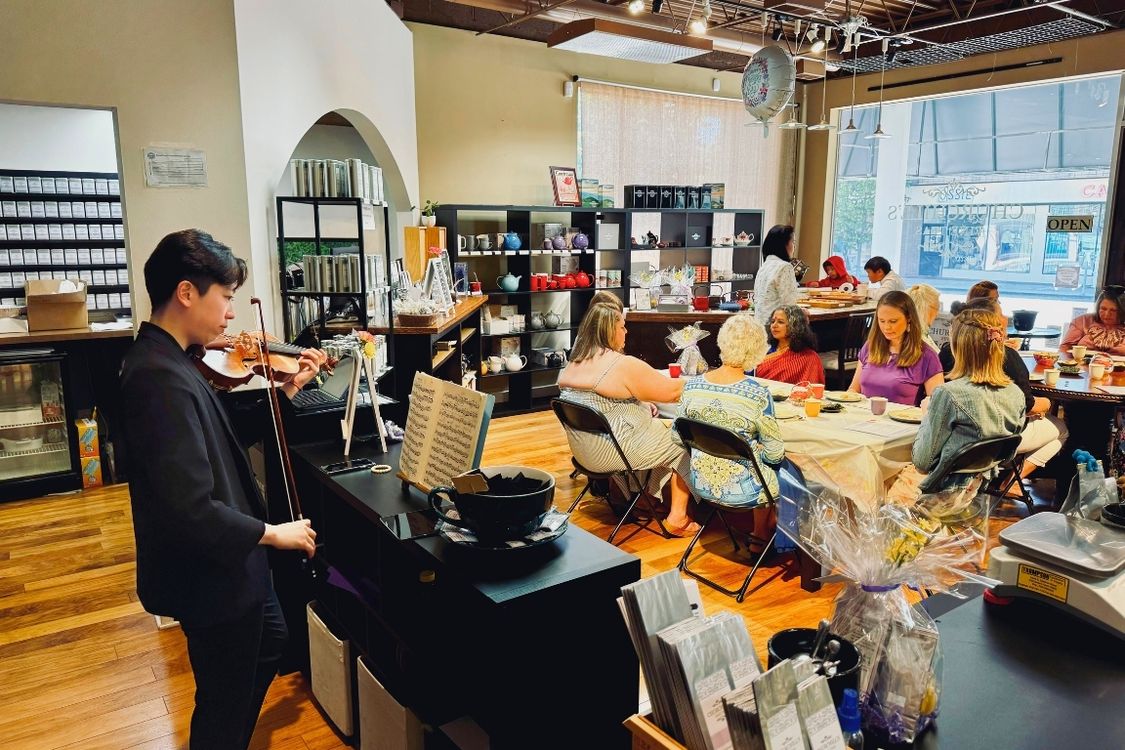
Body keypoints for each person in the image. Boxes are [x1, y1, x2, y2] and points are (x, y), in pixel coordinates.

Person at [120, 229, 326, 749]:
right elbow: (187, 508)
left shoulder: (174, 359)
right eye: (227, 297)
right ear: (187, 293)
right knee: (222, 701)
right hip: (209, 575)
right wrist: (273, 533)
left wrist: (290, 386)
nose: (232, 315)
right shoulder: (156, 378)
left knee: (271, 640)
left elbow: (226, 433)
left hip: (230, 565)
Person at [557, 304, 699, 535]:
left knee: (650, 427)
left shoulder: (574, 362)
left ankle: (642, 500)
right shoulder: (620, 364)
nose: (626, 332)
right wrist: (706, 382)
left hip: (586, 453)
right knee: (684, 438)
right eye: (622, 327)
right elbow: (671, 392)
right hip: (613, 453)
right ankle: (678, 517)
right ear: (609, 330)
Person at [890, 307, 1025, 508]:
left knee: (869, 476)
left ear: (957, 347)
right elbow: (1008, 454)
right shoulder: (1016, 394)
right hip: (974, 492)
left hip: (933, 494)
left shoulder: (948, 394)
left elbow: (922, 461)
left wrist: (928, 415)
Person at [939, 298, 1066, 491]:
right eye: (1001, 314)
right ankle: (1010, 482)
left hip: (957, 439)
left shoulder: (947, 353)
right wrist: (1047, 403)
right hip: (998, 442)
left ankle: (995, 477)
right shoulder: (1008, 357)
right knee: (1061, 429)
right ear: (991, 322)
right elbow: (1027, 406)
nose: (1005, 318)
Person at [678, 314, 784, 510]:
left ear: (722, 342)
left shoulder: (691, 386)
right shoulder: (758, 395)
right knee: (792, 471)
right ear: (758, 350)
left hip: (700, 483)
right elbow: (774, 455)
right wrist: (755, 449)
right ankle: (767, 529)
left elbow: (677, 438)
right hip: (747, 492)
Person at [849, 290, 943, 405]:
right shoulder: (870, 347)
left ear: (909, 318)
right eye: (882, 321)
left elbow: (937, 405)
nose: (886, 327)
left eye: (893, 321)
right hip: (863, 414)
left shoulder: (927, 356)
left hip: (902, 416)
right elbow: (854, 390)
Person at [755, 305, 826, 385]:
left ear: (795, 326)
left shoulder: (810, 358)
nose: (774, 326)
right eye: (773, 321)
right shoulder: (766, 349)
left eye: (780, 322)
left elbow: (811, 388)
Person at [753, 224, 800, 324]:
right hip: (776, 325)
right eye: (793, 242)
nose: (794, 246)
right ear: (784, 245)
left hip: (760, 325)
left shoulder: (764, 267)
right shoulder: (785, 267)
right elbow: (789, 306)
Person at [1060, 287, 1125, 355]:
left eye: (1113, 310)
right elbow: (1064, 347)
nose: (1107, 314)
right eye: (1103, 309)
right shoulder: (1083, 320)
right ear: (1098, 307)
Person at [907, 283, 942, 352]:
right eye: (937, 308)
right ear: (926, 309)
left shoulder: (922, 332)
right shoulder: (916, 339)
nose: (937, 314)